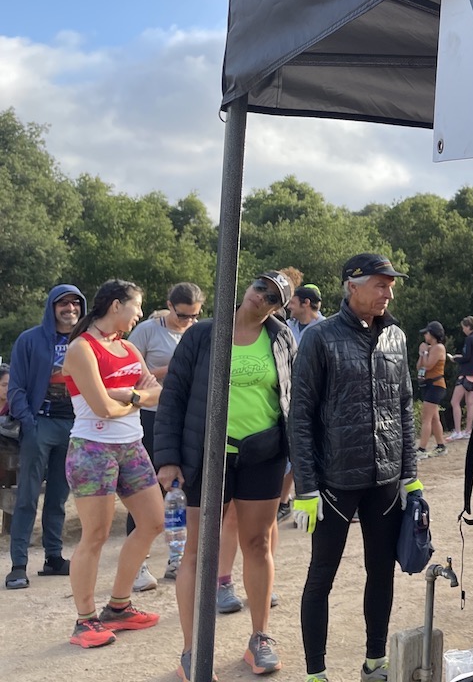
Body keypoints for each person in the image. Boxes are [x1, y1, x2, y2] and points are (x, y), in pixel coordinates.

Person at [155, 270, 296, 680]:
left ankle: (260, 639)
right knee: (198, 552)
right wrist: (167, 459)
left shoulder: (282, 338)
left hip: (263, 454)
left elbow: (292, 396)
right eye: (260, 287)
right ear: (247, 286)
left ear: (278, 307)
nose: (263, 298)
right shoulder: (202, 335)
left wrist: (301, 457)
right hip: (204, 455)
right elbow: (174, 395)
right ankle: (191, 651)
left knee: (257, 543)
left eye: (274, 297)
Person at [290, 253, 422, 682]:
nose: (389, 292)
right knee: (321, 576)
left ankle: (375, 661)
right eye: (381, 284)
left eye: (391, 285)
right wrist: (306, 487)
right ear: (352, 285)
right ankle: (315, 673)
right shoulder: (320, 338)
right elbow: (301, 415)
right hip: (333, 483)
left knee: (381, 572)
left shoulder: (396, 337)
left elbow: (404, 407)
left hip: (384, 480)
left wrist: (410, 474)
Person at [60, 279, 165, 649]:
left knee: (153, 521)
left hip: (130, 445)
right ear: (116, 305)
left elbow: (156, 390)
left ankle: (118, 607)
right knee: (96, 536)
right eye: (136, 307)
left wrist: (129, 394)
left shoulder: (127, 346)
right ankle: (84, 620)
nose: (139, 314)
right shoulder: (80, 349)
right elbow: (102, 408)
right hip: (92, 449)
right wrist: (134, 399)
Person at [124, 281, 205, 590]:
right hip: (152, 418)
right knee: (147, 489)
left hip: (188, 420)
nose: (189, 322)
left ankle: (176, 557)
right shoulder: (147, 331)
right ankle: (139, 564)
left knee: (182, 489)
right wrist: (169, 370)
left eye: (195, 316)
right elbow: (131, 374)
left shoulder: (197, 331)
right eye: (184, 316)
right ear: (170, 306)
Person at [6, 284, 85, 590]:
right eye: (63, 304)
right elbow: (15, 387)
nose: (69, 309)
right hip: (40, 422)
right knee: (27, 496)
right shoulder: (30, 340)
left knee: (59, 496)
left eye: (75, 304)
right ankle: (18, 565)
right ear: (52, 307)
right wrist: (29, 422)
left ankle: (53, 556)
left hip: (74, 424)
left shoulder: (85, 340)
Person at [416, 321, 448, 458]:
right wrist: (422, 353)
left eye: (427, 333)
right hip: (429, 385)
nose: (425, 335)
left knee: (426, 418)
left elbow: (428, 366)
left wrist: (424, 352)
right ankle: (441, 445)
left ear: (433, 334)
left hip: (436, 385)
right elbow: (419, 367)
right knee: (434, 418)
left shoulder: (438, 348)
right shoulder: (430, 349)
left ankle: (422, 449)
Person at [449, 315, 473, 440]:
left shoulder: (469, 339)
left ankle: (458, 431)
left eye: (464, 327)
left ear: (468, 326)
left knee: (455, 401)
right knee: (470, 403)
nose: (463, 329)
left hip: (466, 374)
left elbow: (467, 357)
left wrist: (455, 358)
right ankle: (468, 430)